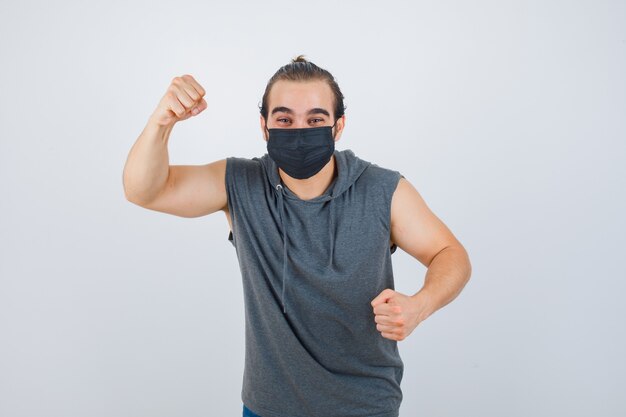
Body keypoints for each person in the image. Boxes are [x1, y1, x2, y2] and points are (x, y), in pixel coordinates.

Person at [123, 55, 472, 417]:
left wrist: (420, 305)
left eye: (316, 119)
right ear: (264, 126)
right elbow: (145, 190)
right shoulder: (241, 183)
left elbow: (450, 253)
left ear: (338, 127)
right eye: (285, 119)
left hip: (365, 407)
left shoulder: (383, 190)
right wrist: (161, 122)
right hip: (267, 408)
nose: (300, 131)